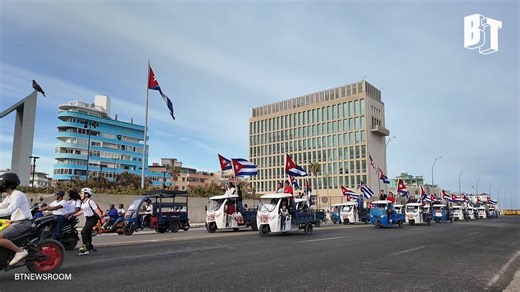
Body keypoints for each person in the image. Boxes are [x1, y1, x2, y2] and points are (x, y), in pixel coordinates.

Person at [0, 173, 33, 266]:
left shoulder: (18, 195)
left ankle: (19, 251)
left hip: (23, 223)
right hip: (15, 222)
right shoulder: (10, 195)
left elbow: (9, 210)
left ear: (6, 183)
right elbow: (2, 205)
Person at [71, 187, 103, 256]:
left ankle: (85, 248)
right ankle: (89, 245)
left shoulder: (90, 201)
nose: (80, 194)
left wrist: (101, 217)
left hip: (93, 219)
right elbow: (82, 211)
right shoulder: (83, 203)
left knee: (83, 232)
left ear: (86, 194)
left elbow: (96, 210)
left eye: (82, 193)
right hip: (88, 219)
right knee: (87, 232)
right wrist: (73, 215)